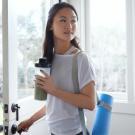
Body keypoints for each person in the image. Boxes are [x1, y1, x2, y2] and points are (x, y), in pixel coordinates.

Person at [18, 2, 96, 135]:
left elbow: (90, 103)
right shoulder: (49, 59)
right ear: (50, 26)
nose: (69, 26)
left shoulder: (81, 59)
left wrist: (54, 90)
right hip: (53, 132)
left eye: (73, 21)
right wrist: (30, 120)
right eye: (63, 20)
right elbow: (54, 103)